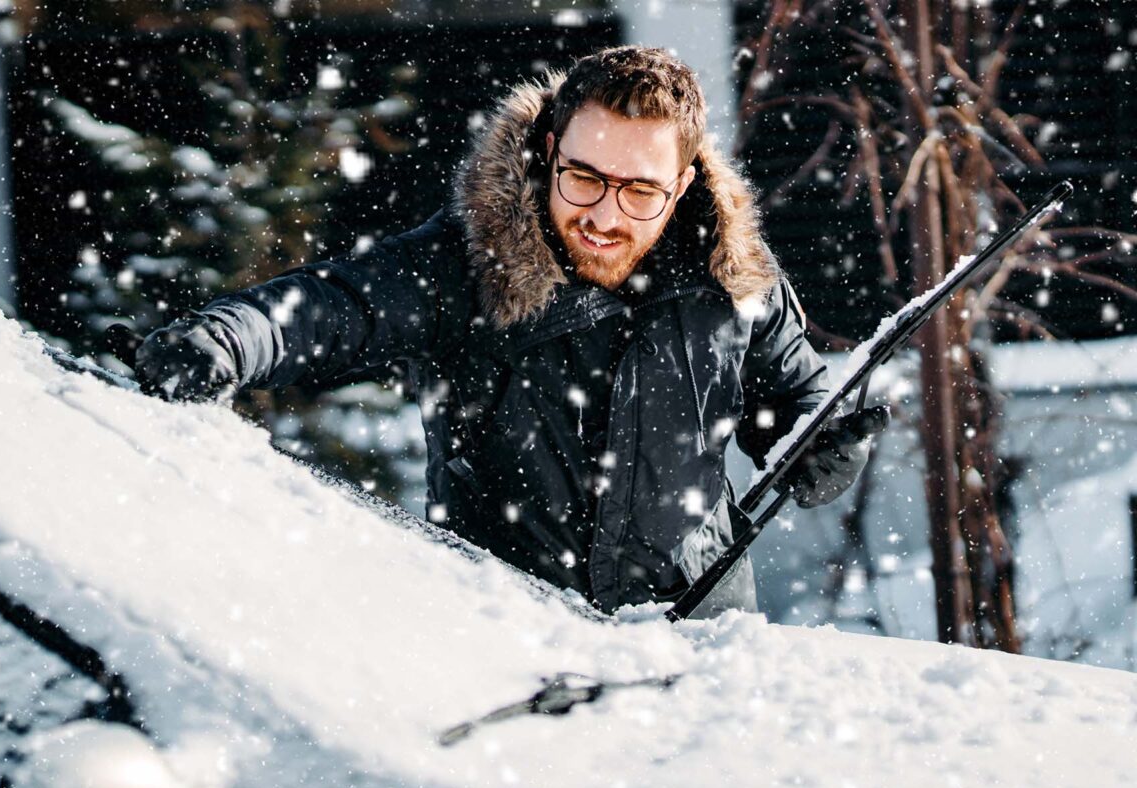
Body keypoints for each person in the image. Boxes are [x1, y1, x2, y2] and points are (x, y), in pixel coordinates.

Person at [135, 46, 886, 618]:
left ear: (682, 186)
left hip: (699, 641)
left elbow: (801, 403)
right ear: (550, 152)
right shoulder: (471, 261)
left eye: (640, 191)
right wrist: (226, 340)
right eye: (584, 176)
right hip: (509, 643)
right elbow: (335, 305)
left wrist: (826, 447)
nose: (605, 215)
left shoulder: (735, 281)